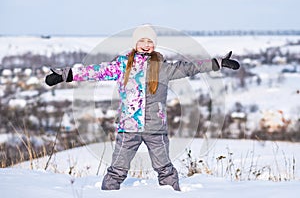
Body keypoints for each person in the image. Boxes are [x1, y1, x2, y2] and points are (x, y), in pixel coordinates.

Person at [45, 25, 240, 191]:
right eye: (142, 41)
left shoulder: (163, 67)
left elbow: (190, 67)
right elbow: (94, 71)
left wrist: (218, 63)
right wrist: (64, 74)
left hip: (156, 129)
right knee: (117, 170)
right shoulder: (122, 66)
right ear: (135, 43)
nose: (146, 45)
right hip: (128, 128)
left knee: (165, 169)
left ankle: (173, 194)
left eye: (150, 41)